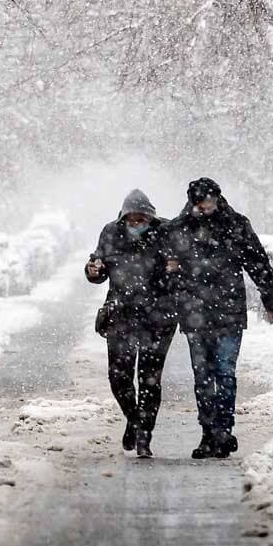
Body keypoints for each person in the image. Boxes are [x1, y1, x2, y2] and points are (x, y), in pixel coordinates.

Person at [165, 177, 273, 459]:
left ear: (218, 199)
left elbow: (257, 261)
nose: (206, 209)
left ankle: (224, 429)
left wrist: (270, 297)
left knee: (225, 372)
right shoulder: (180, 229)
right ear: (193, 203)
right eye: (201, 205)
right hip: (195, 313)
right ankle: (208, 432)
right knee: (203, 376)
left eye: (210, 203)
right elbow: (165, 268)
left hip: (228, 312)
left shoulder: (235, 225)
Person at [85, 189, 175, 459]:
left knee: (150, 380)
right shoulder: (110, 232)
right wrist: (93, 270)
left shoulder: (166, 233)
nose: (137, 223)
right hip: (121, 315)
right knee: (118, 376)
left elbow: (182, 272)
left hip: (157, 318)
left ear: (151, 216)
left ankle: (144, 437)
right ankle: (133, 419)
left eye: (142, 218)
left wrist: (173, 270)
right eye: (132, 218)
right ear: (123, 217)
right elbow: (97, 268)